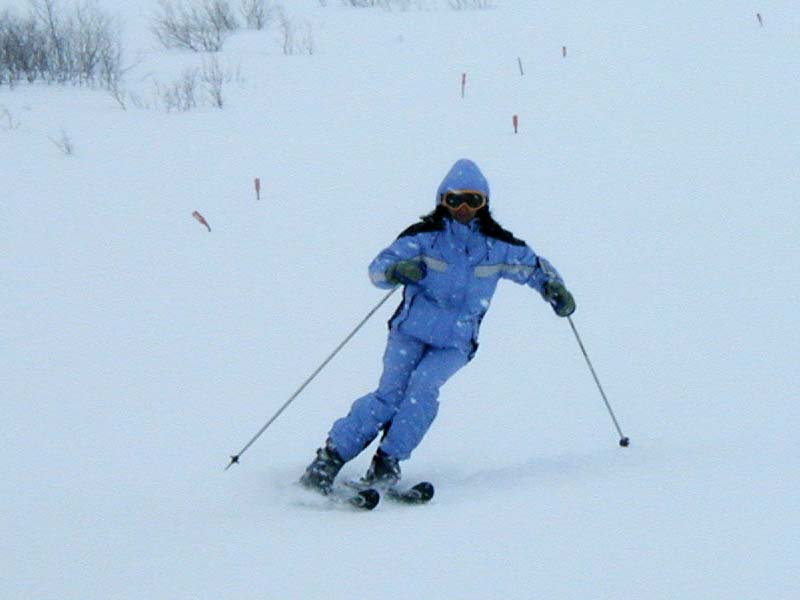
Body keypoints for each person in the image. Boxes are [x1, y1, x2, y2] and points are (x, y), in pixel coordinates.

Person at [300, 159, 575, 494]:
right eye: (454, 199)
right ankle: (328, 460)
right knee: (389, 396)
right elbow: (378, 268)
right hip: (410, 332)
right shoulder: (424, 238)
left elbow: (535, 269)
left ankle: (387, 461)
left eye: (473, 200)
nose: (463, 208)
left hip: (455, 341)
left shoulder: (498, 246)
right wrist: (397, 271)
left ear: (484, 203)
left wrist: (554, 289)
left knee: (423, 389)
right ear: (442, 200)